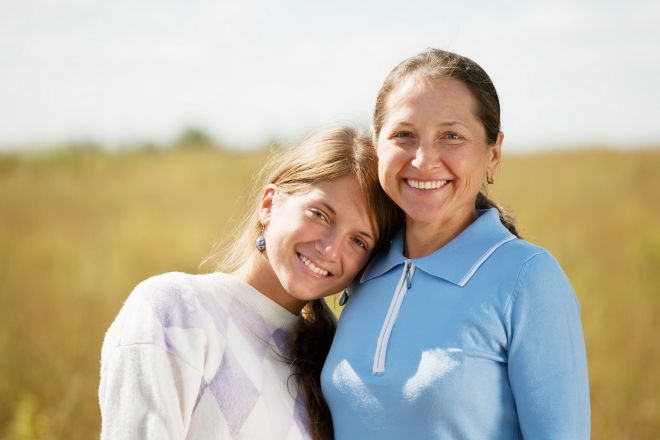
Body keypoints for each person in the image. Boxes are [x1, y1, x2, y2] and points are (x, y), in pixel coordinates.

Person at [321, 49, 591, 439]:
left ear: (493, 154)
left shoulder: (527, 278)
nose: (423, 160)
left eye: (451, 136)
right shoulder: (362, 267)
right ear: (377, 145)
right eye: (404, 135)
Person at [98, 126, 402, 440]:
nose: (330, 250)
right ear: (269, 204)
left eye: (358, 241)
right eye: (319, 215)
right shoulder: (174, 309)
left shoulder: (336, 365)